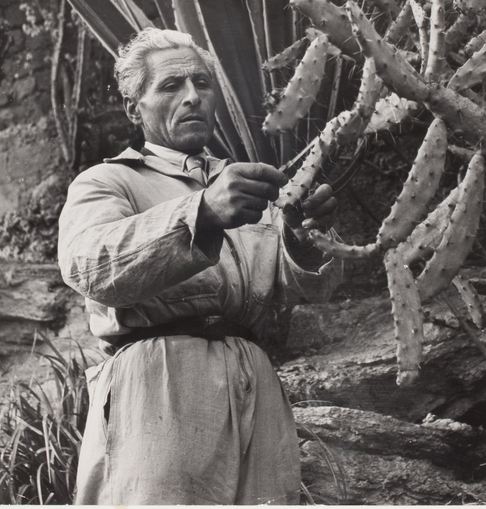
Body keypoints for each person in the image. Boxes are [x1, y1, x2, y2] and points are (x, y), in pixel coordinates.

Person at [58, 27, 342, 505]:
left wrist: (303, 237)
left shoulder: (246, 184)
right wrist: (202, 212)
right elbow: (88, 266)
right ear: (134, 108)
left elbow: (315, 291)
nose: (192, 96)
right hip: (158, 384)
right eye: (171, 85)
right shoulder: (107, 181)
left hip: (255, 382)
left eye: (202, 83)